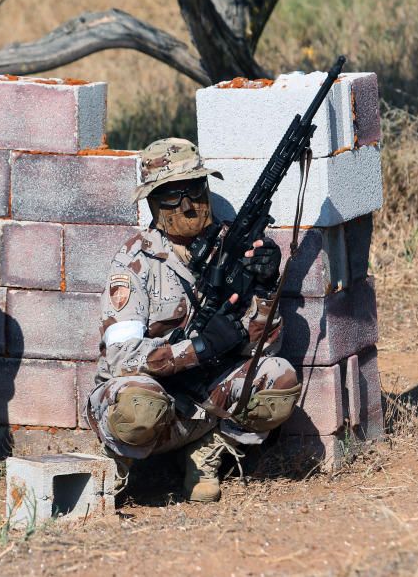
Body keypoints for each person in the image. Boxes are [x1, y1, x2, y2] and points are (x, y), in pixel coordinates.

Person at [86, 138, 302, 502]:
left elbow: (264, 347)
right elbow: (120, 358)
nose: (187, 205)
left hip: (206, 399)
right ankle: (117, 472)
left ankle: (206, 455)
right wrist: (197, 349)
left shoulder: (231, 245)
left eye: (194, 190)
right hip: (152, 401)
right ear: (154, 203)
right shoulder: (134, 262)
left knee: (278, 380)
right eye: (171, 195)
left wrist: (266, 289)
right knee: (138, 405)